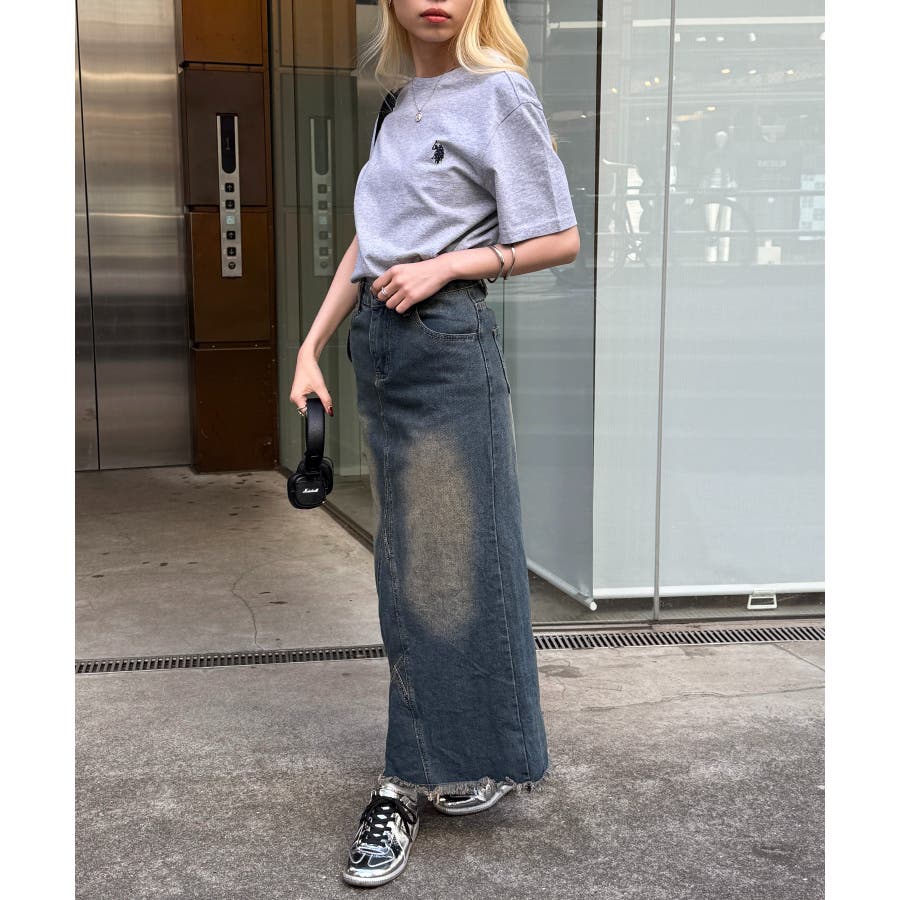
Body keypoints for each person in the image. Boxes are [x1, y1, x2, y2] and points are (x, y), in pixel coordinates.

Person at [289, 0, 579, 887]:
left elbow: (558, 238)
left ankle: (404, 779)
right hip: (381, 346)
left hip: (445, 343)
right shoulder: (399, 104)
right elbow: (369, 244)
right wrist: (311, 344)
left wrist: (450, 264)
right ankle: (471, 755)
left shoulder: (500, 95)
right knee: (428, 565)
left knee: (434, 570)